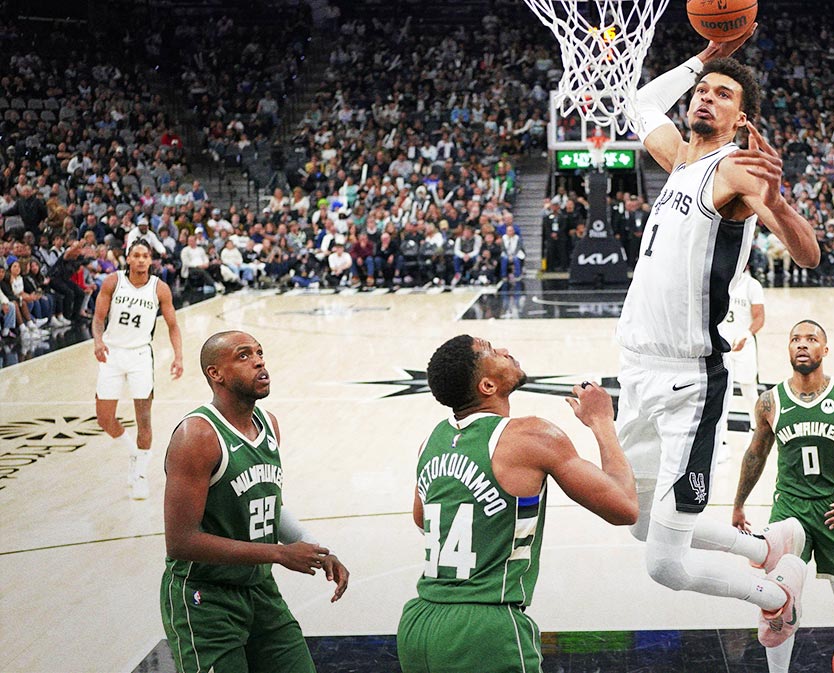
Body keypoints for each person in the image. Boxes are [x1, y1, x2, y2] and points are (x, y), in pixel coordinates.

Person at [618, 26, 821, 649]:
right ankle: (766, 545)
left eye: (722, 93)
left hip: (688, 381)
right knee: (638, 522)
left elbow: (809, 255)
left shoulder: (734, 171)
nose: (704, 98)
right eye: (702, 91)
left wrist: (780, 205)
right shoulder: (681, 157)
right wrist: (703, 57)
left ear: (741, 119)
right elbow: (638, 103)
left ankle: (776, 593)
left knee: (664, 564)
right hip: (637, 369)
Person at [397, 335, 637, 673]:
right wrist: (601, 422)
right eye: (492, 352)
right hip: (485, 630)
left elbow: (423, 519)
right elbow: (624, 507)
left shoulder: (431, 442)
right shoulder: (532, 436)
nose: (506, 351)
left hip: (418, 625)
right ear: (488, 385)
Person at [161, 331, 350, 673]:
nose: (260, 361)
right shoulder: (198, 436)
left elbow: (266, 504)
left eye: (260, 353)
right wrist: (279, 553)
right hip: (206, 598)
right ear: (215, 373)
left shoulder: (268, 424)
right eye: (244, 356)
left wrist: (314, 548)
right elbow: (180, 541)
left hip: (259, 588)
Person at [732, 320, 834, 673]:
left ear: (825, 349)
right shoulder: (770, 401)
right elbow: (756, 453)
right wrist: (739, 504)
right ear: (788, 349)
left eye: (812, 339)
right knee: (778, 603)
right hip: (790, 510)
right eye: (795, 339)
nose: (803, 345)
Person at [92, 240, 183, 499]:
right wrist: (98, 341)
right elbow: (98, 319)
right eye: (136, 255)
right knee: (104, 419)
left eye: (145, 256)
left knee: (144, 418)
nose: (141, 260)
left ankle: (141, 473)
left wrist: (179, 357)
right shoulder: (113, 281)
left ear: (150, 260)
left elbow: (173, 325)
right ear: (128, 259)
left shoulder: (159, 288)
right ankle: (133, 451)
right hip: (112, 353)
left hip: (141, 356)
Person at [717, 264, 765, 457]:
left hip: (744, 346)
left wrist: (746, 334)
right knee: (722, 394)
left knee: (749, 390)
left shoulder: (752, 285)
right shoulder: (721, 283)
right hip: (722, 347)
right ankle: (721, 440)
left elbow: (760, 318)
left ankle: (756, 432)